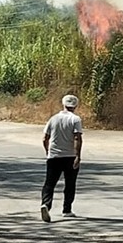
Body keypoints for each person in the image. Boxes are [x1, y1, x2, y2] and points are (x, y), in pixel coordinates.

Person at [40, 94, 83, 222]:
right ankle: (67, 209)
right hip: (70, 156)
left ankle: (46, 205)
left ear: (63, 104)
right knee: (70, 183)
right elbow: (77, 137)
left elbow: (45, 138)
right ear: (75, 106)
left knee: (49, 183)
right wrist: (78, 156)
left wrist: (48, 151)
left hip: (54, 156)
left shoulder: (53, 119)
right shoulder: (75, 120)